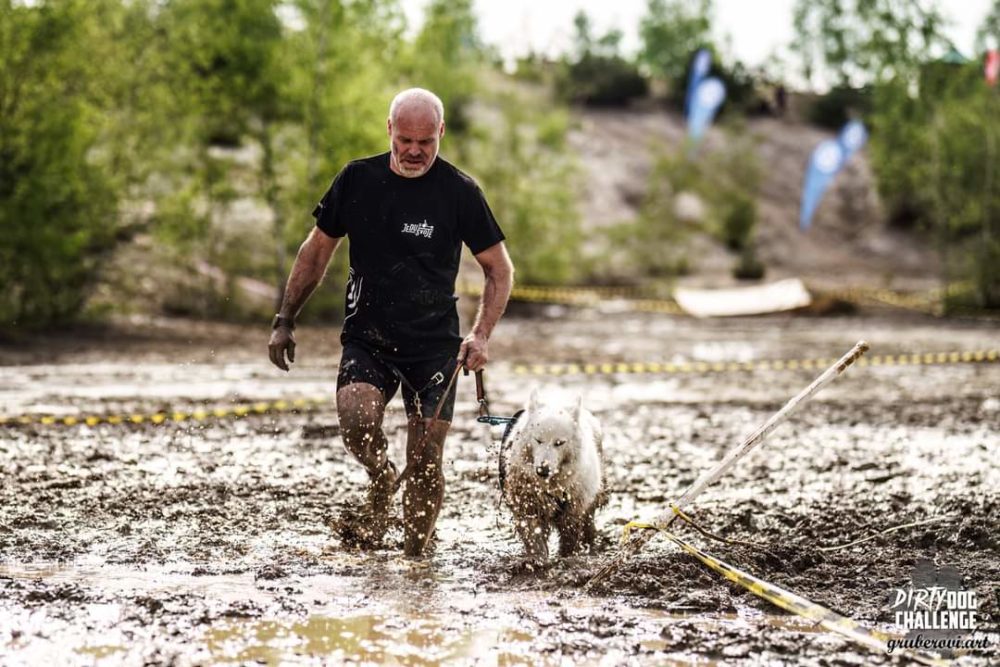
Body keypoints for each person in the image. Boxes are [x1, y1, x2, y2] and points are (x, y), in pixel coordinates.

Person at [267, 88, 514, 558]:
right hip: (369, 337)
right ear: (390, 131)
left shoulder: (460, 192)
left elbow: (499, 268)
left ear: (441, 133)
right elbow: (316, 251)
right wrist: (285, 318)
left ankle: (417, 563)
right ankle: (381, 480)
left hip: (434, 346)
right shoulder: (356, 179)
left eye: (426, 140)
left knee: (424, 464)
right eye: (405, 139)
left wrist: (481, 334)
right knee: (357, 422)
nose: (415, 150)